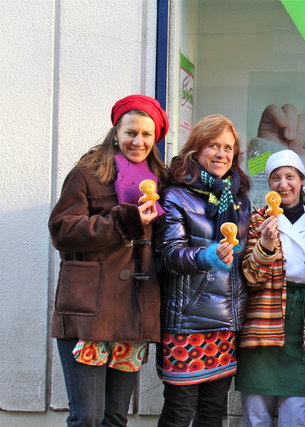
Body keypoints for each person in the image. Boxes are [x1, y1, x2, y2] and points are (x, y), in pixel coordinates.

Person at [49, 94, 169, 426]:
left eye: (147, 134)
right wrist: (123, 221)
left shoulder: (161, 178)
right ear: (116, 132)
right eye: (131, 132)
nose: (138, 141)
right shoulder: (87, 174)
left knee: (115, 417)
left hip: (133, 311)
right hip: (90, 307)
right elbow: (62, 230)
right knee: (87, 416)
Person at [154, 114, 251, 427]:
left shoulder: (238, 200)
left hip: (224, 320)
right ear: (196, 150)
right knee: (179, 413)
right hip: (186, 321)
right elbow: (170, 255)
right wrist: (209, 255)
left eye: (228, 148)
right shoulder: (175, 196)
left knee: (212, 413)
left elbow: (242, 260)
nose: (222, 154)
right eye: (214, 146)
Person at [235, 150, 305, 426]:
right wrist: (264, 245)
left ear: (302, 180)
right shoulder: (256, 220)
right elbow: (251, 277)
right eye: (276, 178)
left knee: (299, 414)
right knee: (256, 414)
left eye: (290, 176)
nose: (283, 184)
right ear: (269, 185)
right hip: (263, 319)